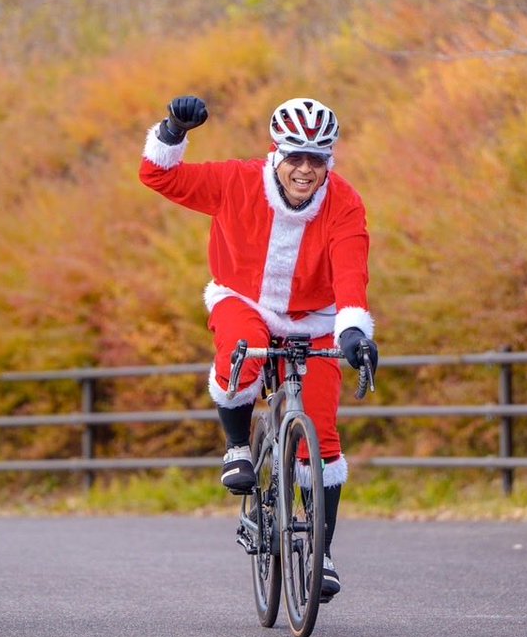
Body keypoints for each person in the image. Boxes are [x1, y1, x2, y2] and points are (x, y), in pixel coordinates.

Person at [139, 95, 379, 602]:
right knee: (239, 350)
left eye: (317, 159)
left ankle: (321, 552)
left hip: (315, 317)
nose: (305, 169)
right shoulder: (236, 181)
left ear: (329, 162)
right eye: (296, 156)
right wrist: (173, 132)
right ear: (277, 153)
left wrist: (355, 332)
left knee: (325, 438)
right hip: (243, 299)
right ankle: (237, 447)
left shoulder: (345, 202)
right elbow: (160, 177)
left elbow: (352, 275)